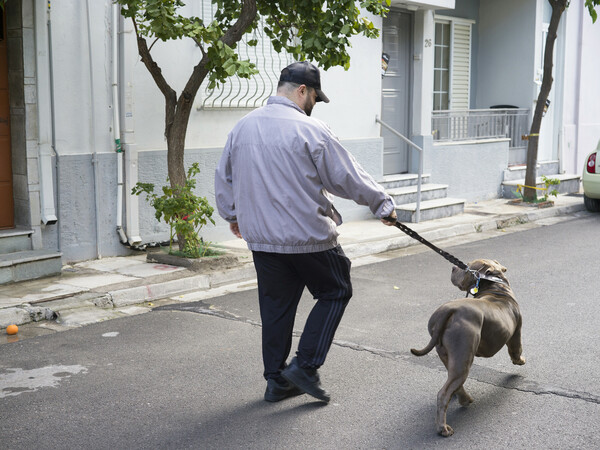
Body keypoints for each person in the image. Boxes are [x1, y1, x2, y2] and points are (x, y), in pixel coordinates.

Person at [214, 61, 397, 403]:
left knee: (276, 308)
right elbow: (346, 176)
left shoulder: (243, 127)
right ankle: (306, 366)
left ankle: (276, 381)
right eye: (314, 96)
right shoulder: (311, 130)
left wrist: (233, 215)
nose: (315, 103)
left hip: (263, 240)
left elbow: (224, 177)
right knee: (336, 290)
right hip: (307, 237)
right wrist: (381, 204)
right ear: (301, 91)